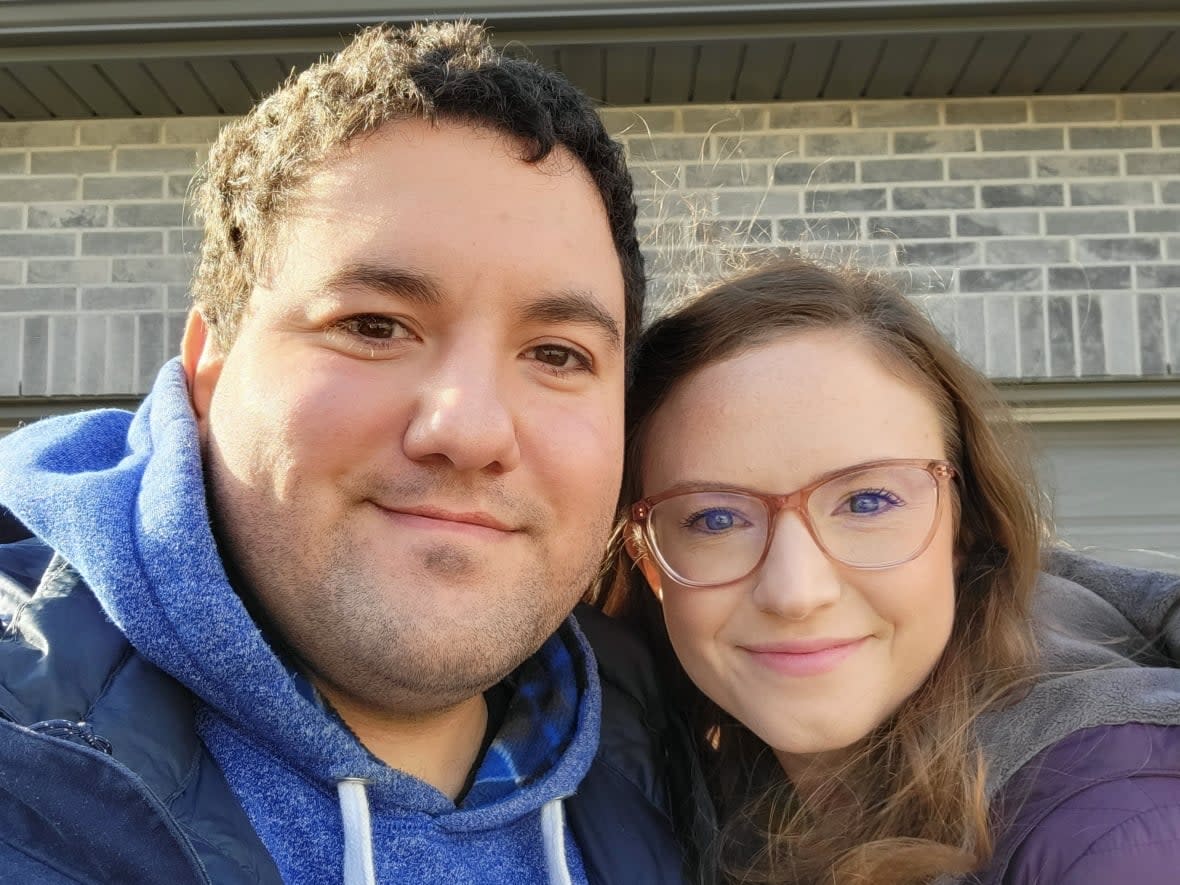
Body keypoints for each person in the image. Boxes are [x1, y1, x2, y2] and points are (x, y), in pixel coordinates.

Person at [0, 21, 689, 885]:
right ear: (209, 366)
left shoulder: (695, 764)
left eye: (557, 354)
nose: (470, 431)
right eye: (373, 326)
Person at [605, 257, 1180, 884]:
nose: (797, 592)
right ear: (648, 557)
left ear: (965, 527)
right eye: (715, 519)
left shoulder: (1110, 828)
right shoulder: (674, 785)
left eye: (868, 502)